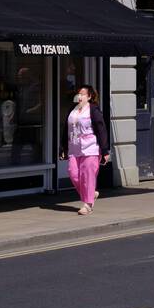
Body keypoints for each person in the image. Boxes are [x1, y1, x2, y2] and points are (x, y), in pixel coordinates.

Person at [59, 84, 110, 215]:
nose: (79, 96)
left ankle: (87, 205)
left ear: (89, 96)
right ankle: (91, 193)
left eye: (82, 94)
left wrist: (105, 150)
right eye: (78, 94)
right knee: (73, 173)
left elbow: (102, 130)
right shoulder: (73, 109)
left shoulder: (93, 110)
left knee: (87, 176)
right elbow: (66, 129)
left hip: (91, 148)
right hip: (74, 148)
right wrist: (63, 147)